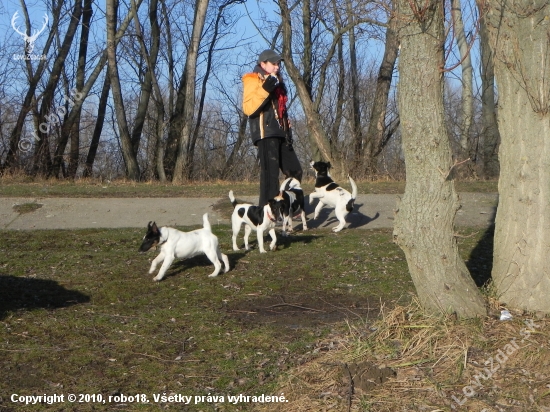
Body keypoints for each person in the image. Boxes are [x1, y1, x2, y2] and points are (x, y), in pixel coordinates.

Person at [242, 49, 303, 207]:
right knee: (270, 177)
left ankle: (287, 206)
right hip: (265, 132)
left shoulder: (277, 80)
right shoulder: (252, 79)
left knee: (295, 171)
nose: (277, 67)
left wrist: (287, 124)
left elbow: (280, 107)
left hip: (281, 132)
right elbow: (249, 109)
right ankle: (266, 217)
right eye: (273, 63)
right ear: (263, 64)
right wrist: (265, 90)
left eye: (278, 64)